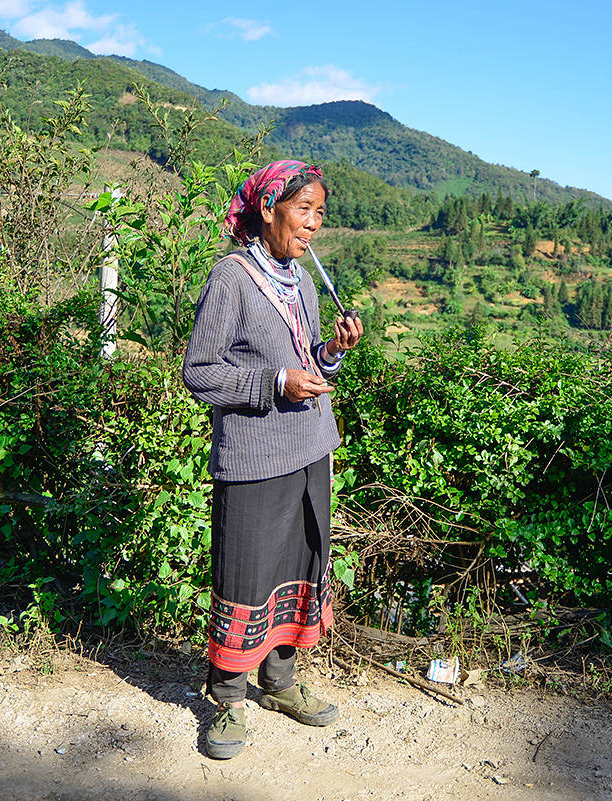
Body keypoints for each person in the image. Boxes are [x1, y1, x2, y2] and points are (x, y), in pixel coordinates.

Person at [182, 160, 363, 759]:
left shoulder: (303, 284)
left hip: (311, 448)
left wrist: (330, 351)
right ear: (268, 210)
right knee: (247, 570)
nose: (312, 226)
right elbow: (200, 373)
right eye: (303, 210)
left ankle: (279, 679)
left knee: (300, 561)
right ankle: (227, 697)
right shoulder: (230, 279)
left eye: (319, 215)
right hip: (255, 456)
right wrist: (275, 382)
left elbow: (306, 357)